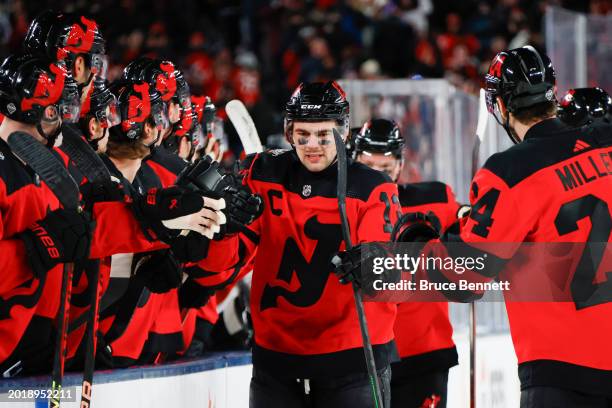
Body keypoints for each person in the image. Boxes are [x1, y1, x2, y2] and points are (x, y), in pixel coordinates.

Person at [341, 45, 612, 408]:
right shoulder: (605, 146)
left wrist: (417, 248)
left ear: (499, 106)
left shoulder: (512, 172)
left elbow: (466, 278)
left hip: (564, 371)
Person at [204, 80, 400, 407]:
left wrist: (373, 262)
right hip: (277, 359)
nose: (313, 145)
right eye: (303, 135)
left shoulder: (372, 187)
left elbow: (387, 268)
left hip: (352, 359)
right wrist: (223, 228)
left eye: (324, 135)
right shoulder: (261, 174)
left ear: (343, 133)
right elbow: (219, 271)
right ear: (289, 131)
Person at [352, 118, 459, 407]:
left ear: (400, 165)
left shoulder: (436, 198)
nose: (377, 178)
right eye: (368, 168)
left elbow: (472, 232)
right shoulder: (341, 209)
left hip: (424, 352)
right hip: (362, 355)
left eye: (384, 170)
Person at [0, 54, 93, 377]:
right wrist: (35, 247)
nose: (61, 123)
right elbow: (40, 245)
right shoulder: (3, 172)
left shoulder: (42, 169)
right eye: (55, 111)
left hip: (30, 354)